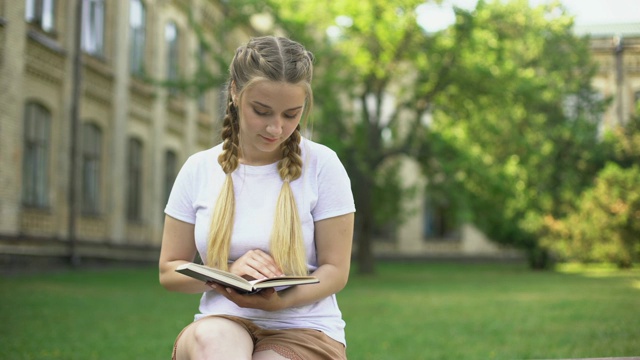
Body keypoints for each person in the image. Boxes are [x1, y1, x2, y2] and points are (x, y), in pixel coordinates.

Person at [159, 35, 356, 360]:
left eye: (291, 114)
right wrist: (225, 274)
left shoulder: (323, 165)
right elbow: (169, 271)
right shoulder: (199, 168)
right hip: (222, 324)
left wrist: (280, 301)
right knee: (215, 342)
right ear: (235, 91)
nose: (276, 128)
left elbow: (335, 270)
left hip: (305, 328)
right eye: (262, 111)